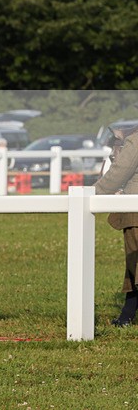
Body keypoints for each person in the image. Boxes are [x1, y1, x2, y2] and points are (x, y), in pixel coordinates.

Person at [95, 127, 138, 327]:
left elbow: (120, 172)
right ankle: (126, 316)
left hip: (135, 210)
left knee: (135, 262)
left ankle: (126, 317)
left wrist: (93, 192)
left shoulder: (135, 140)